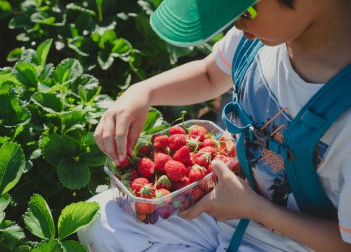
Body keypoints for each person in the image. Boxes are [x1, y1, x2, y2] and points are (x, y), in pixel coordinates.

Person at [78, 0, 351, 251]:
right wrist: (143, 92)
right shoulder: (260, 39)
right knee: (98, 219)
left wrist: (254, 209)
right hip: (224, 204)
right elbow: (210, 74)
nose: (238, 25)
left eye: (245, 12)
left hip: (295, 241)